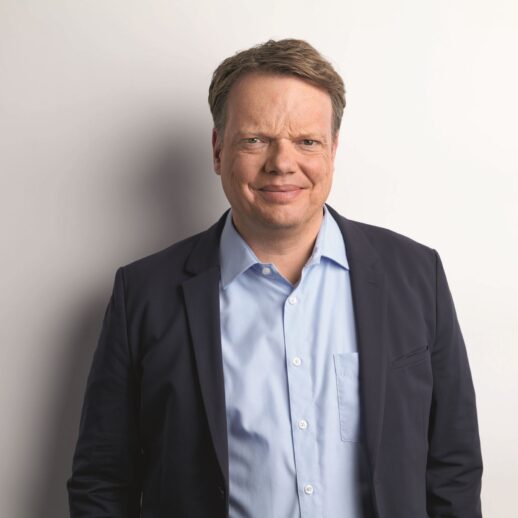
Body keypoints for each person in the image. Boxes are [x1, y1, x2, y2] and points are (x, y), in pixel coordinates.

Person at [67, 38, 483, 518]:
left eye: (307, 141)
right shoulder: (144, 295)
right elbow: (103, 481)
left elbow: (453, 469)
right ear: (218, 150)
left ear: (332, 150)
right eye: (255, 140)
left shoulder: (416, 276)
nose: (282, 163)